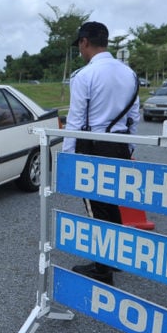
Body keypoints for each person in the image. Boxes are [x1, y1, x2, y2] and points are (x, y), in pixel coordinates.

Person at [63, 21, 140, 286]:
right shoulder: (129, 73)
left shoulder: (84, 75)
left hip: (92, 146)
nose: (80, 51)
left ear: (84, 42)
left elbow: (75, 122)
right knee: (112, 203)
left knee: (97, 210)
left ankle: (102, 269)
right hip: (119, 145)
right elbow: (134, 117)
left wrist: (68, 159)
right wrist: (129, 148)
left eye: (80, 46)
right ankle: (115, 258)